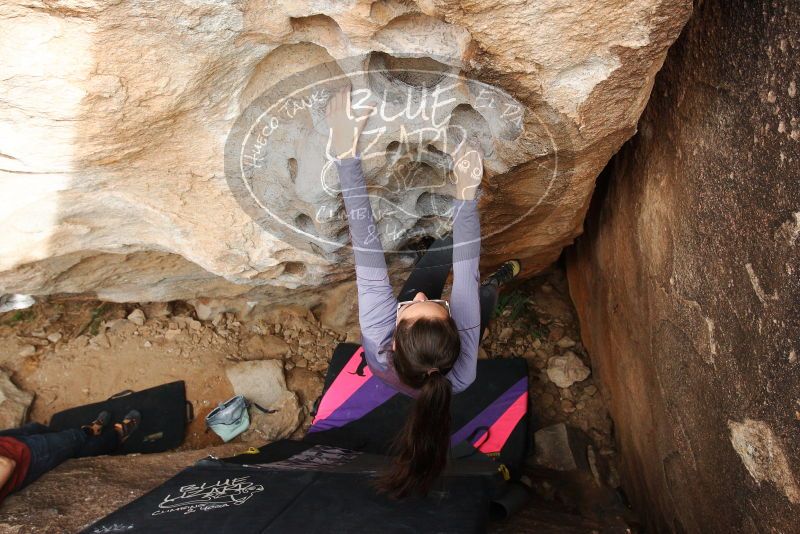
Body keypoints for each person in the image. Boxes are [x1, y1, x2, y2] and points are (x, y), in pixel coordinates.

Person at [325, 86, 521, 497]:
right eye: (432, 306)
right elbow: (466, 267)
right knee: (481, 295)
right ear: (454, 323)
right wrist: (468, 194)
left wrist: (345, 155)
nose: (414, 299)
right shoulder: (462, 367)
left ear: (394, 339)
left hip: (413, 342)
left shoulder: (379, 329)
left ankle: (474, 278)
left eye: (410, 309)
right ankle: (498, 284)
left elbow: (366, 239)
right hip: (443, 334)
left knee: (437, 258)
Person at [0, 409, 141, 504]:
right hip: (24, 457)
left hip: (8, 444)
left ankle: (90, 431)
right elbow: (6, 465)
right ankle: (117, 436)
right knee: (73, 441)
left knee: (34, 428)